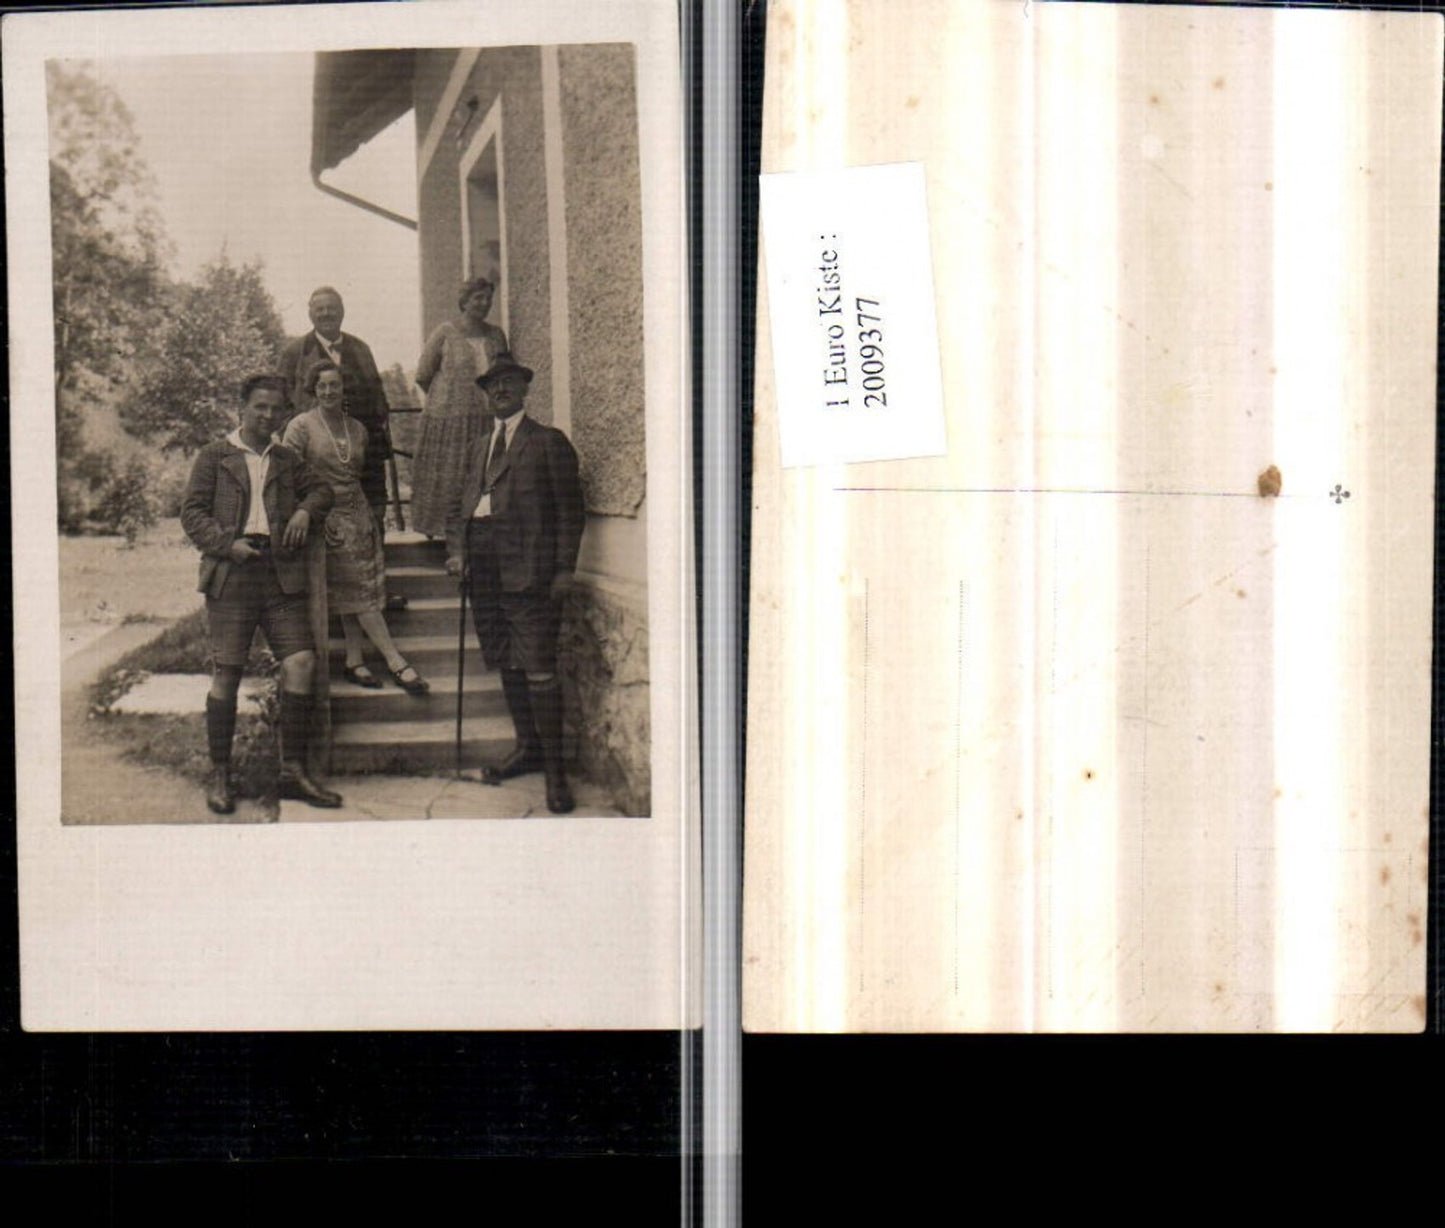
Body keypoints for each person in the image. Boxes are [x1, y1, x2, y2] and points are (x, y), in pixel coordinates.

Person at [180, 374, 341, 813]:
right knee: (228, 672)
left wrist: (306, 511)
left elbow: (324, 490)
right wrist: (224, 544)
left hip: (280, 574)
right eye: (259, 407)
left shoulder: (287, 459)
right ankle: (220, 774)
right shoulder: (215, 456)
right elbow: (191, 512)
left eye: (275, 409)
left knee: (302, 662)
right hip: (232, 573)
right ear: (242, 408)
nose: (267, 416)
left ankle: (292, 771)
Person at [456, 353, 584, 814]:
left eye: (508, 382)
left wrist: (565, 568)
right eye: (492, 385)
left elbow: (571, 511)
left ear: (524, 388)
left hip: (530, 571)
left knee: (537, 664)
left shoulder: (547, 442)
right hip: (485, 568)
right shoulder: (478, 447)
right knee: (507, 659)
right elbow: (467, 504)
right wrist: (459, 552)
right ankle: (527, 747)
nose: (500, 390)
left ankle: (555, 772)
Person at [282, 360, 430, 695]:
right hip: (325, 517)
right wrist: (306, 512)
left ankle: (354, 659)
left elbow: (362, 473)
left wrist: (368, 515)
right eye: (322, 386)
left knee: (357, 588)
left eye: (335, 385)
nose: (329, 391)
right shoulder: (301, 427)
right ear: (313, 389)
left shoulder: (358, 428)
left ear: (343, 388)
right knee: (358, 591)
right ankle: (396, 661)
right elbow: (286, 475)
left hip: (359, 514)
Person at [279, 285, 406, 610]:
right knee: (322, 521)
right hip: (317, 456)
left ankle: (377, 594)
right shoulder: (295, 352)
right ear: (310, 314)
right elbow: (282, 406)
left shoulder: (360, 349)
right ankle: (322, 598)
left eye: (331, 307)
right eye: (319, 309)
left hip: (362, 452)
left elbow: (378, 398)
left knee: (370, 521)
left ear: (342, 311)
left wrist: (377, 445)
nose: (326, 314)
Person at [412, 277, 510, 573]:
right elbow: (423, 374)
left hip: (486, 419)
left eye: (487, 298)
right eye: (477, 298)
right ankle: (454, 549)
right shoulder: (445, 332)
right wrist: (449, 400)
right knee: (454, 481)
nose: (483, 304)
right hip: (449, 422)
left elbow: (504, 373)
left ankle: (479, 546)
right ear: (464, 301)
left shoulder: (496, 335)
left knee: (482, 481)